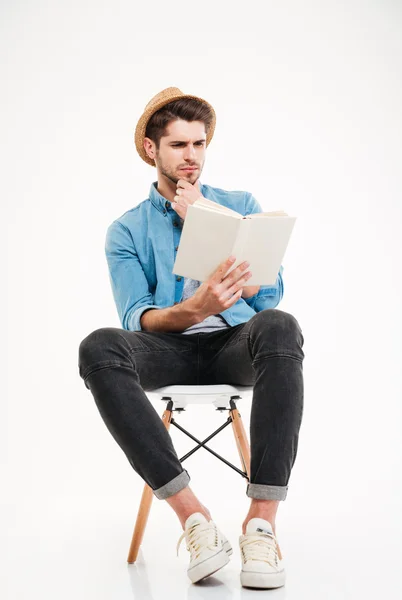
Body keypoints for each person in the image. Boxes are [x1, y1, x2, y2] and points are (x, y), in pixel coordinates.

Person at [78, 87, 305, 589]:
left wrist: (206, 222)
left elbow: (269, 297)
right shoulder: (126, 231)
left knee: (281, 326)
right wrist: (193, 309)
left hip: (234, 344)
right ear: (151, 149)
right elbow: (138, 317)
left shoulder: (239, 205)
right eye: (179, 145)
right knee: (99, 345)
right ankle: (195, 519)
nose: (191, 157)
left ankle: (261, 524)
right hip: (168, 352)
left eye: (199, 144)